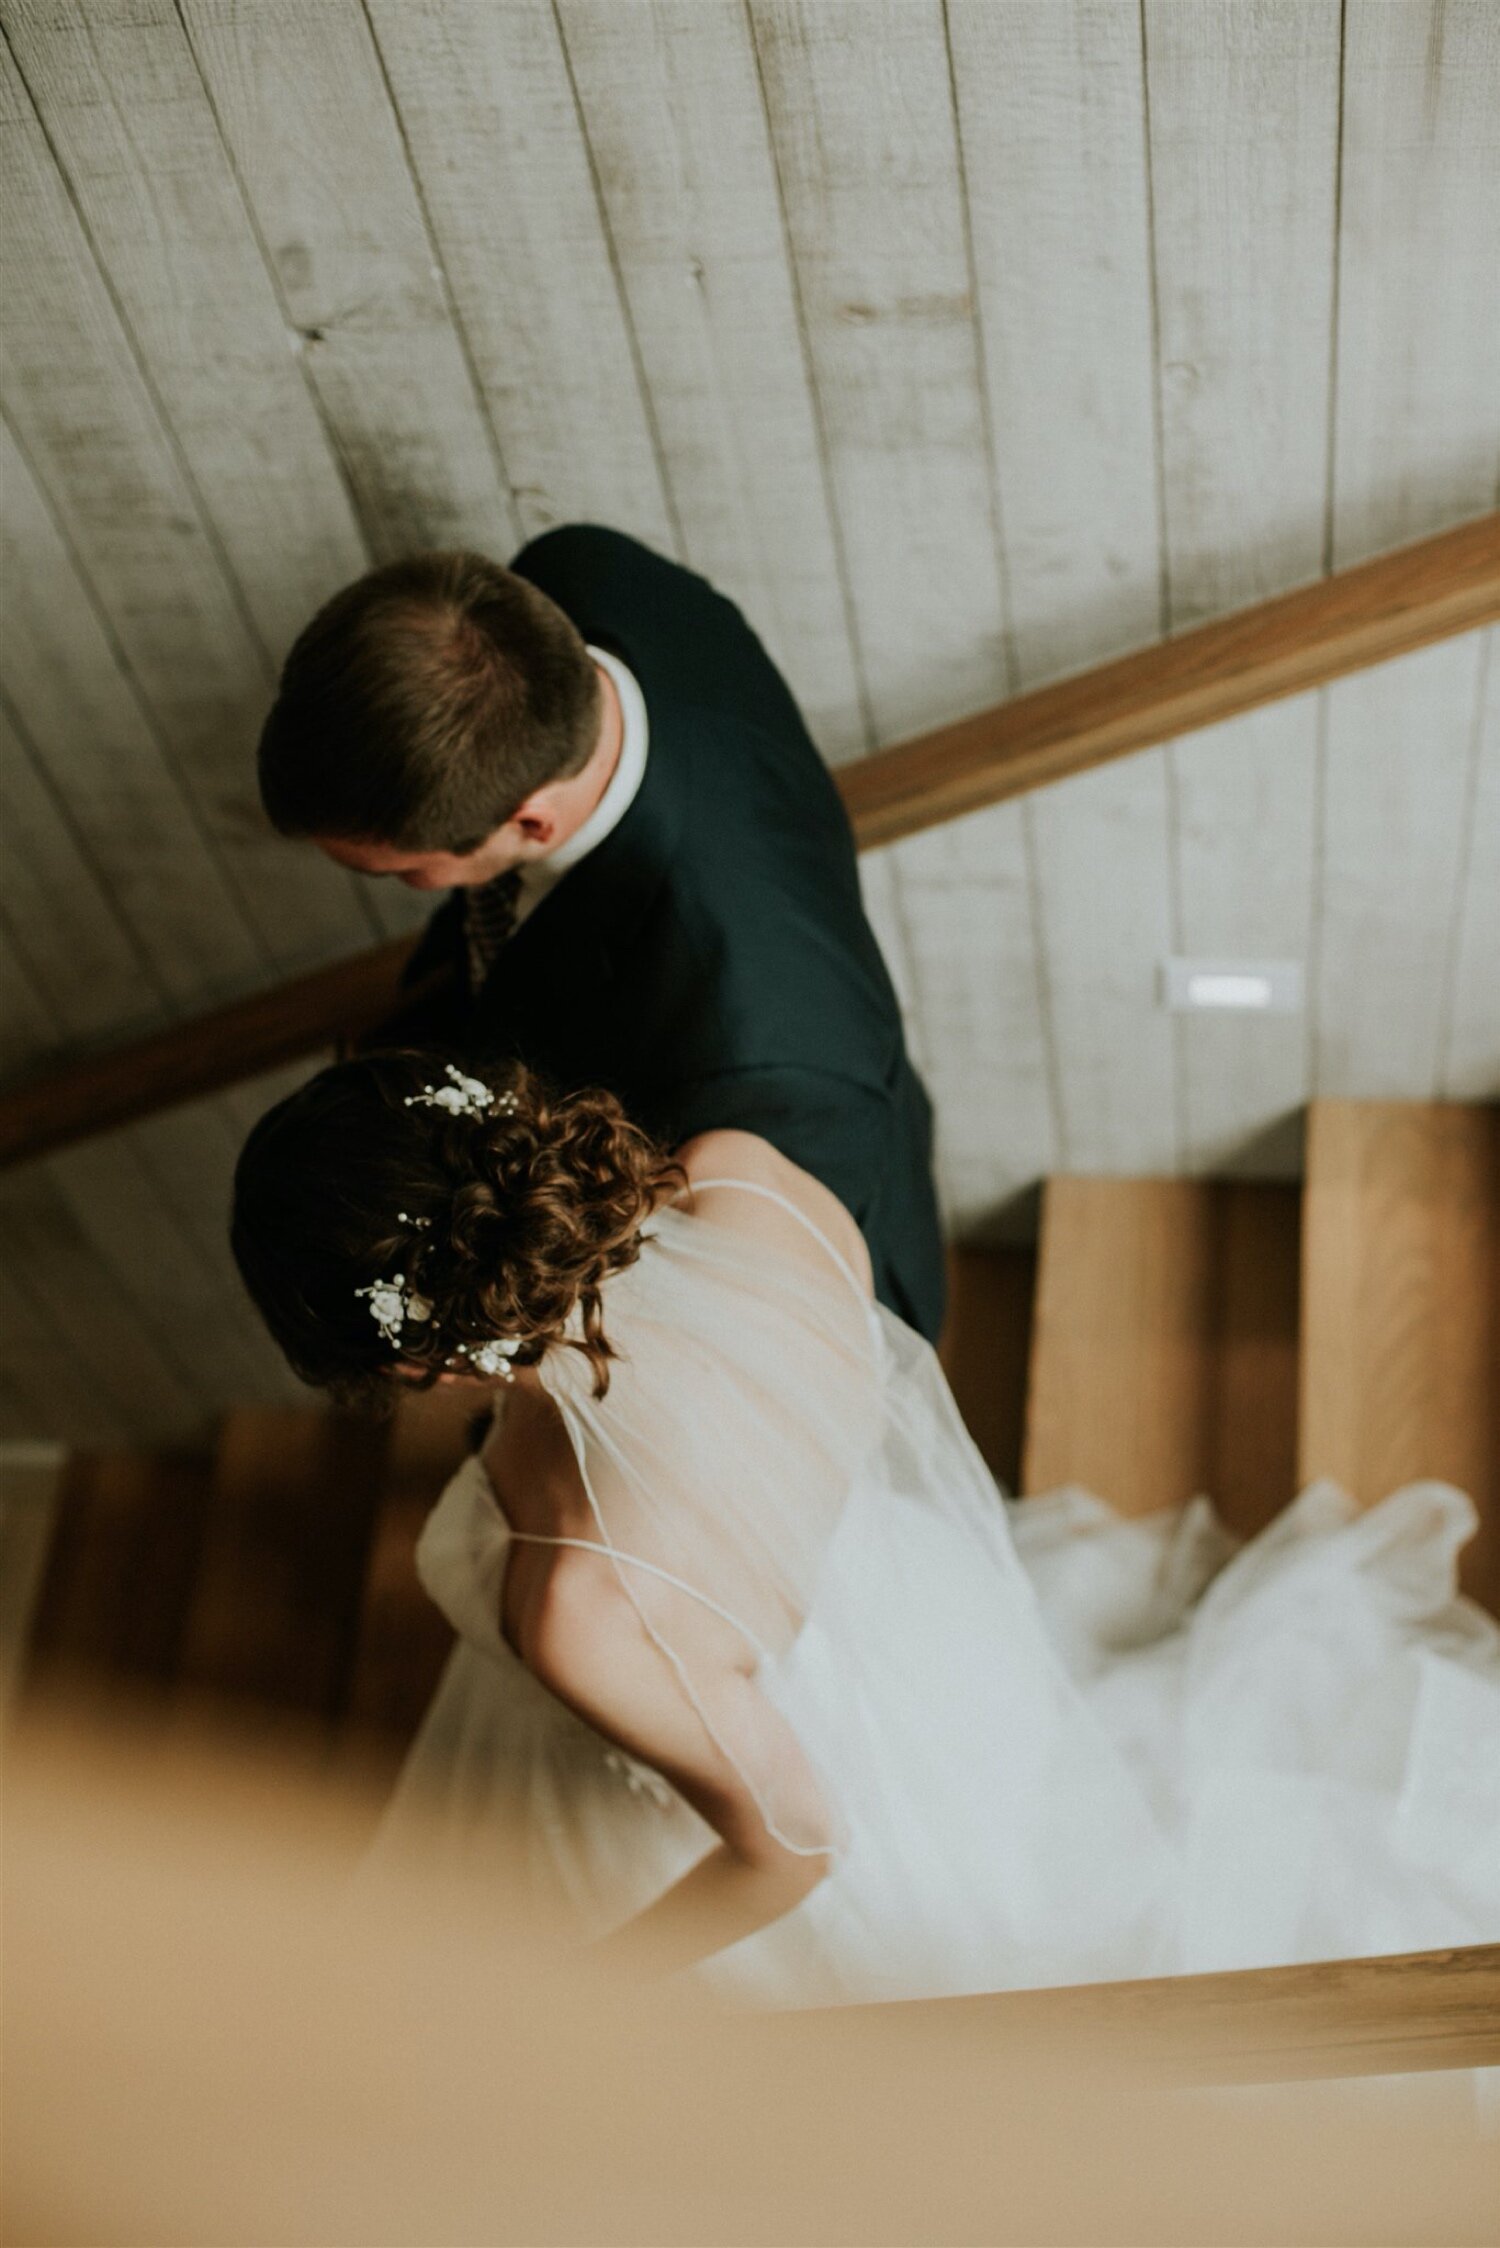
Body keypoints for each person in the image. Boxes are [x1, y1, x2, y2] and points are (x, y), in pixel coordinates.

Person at [232, 1051, 1500, 2005]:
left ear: (415, 1368)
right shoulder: (740, 1178)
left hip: (763, 1712)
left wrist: (594, 1992)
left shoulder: (586, 1606)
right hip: (892, 1604)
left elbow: (794, 1847)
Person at [257, 531, 945, 1344]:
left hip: (812, 1227)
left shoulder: (747, 1052)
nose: (403, 891)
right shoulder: (576, 573)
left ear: (531, 819)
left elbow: (773, 1294)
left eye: (402, 872)